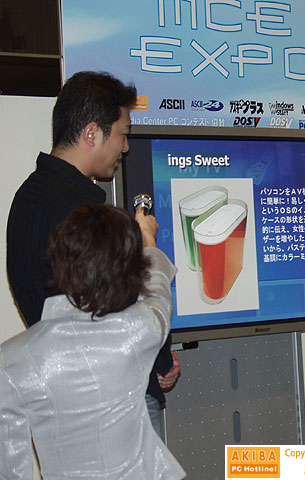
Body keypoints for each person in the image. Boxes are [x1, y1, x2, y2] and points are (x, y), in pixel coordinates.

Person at [5, 71, 179, 438]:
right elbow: (122, 312)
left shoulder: (25, 199)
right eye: (123, 134)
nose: (126, 148)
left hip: (62, 399)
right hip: (119, 402)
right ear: (91, 133)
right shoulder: (87, 216)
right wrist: (161, 359)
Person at [0, 204, 186, 479]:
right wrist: (148, 239)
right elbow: (158, 293)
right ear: (127, 269)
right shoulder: (137, 330)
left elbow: (11, 468)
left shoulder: (11, 359)